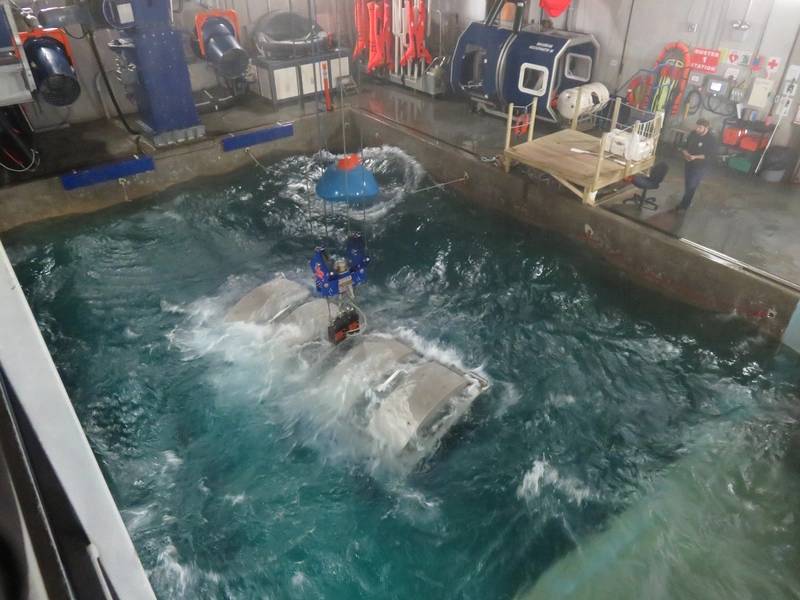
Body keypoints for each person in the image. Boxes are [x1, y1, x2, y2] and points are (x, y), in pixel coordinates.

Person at [677, 118, 717, 211]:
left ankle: (684, 205)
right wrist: (685, 153)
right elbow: (684, 145)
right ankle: (687, 200)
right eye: (697, 127)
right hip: (689, 163)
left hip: (700, 167)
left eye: (700, 127)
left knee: (692, 185)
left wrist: (695, 157)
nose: (697, 129)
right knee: (688, 184)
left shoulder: (711, 139)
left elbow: (709, 155)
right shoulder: (693, 134)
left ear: (706, 128)